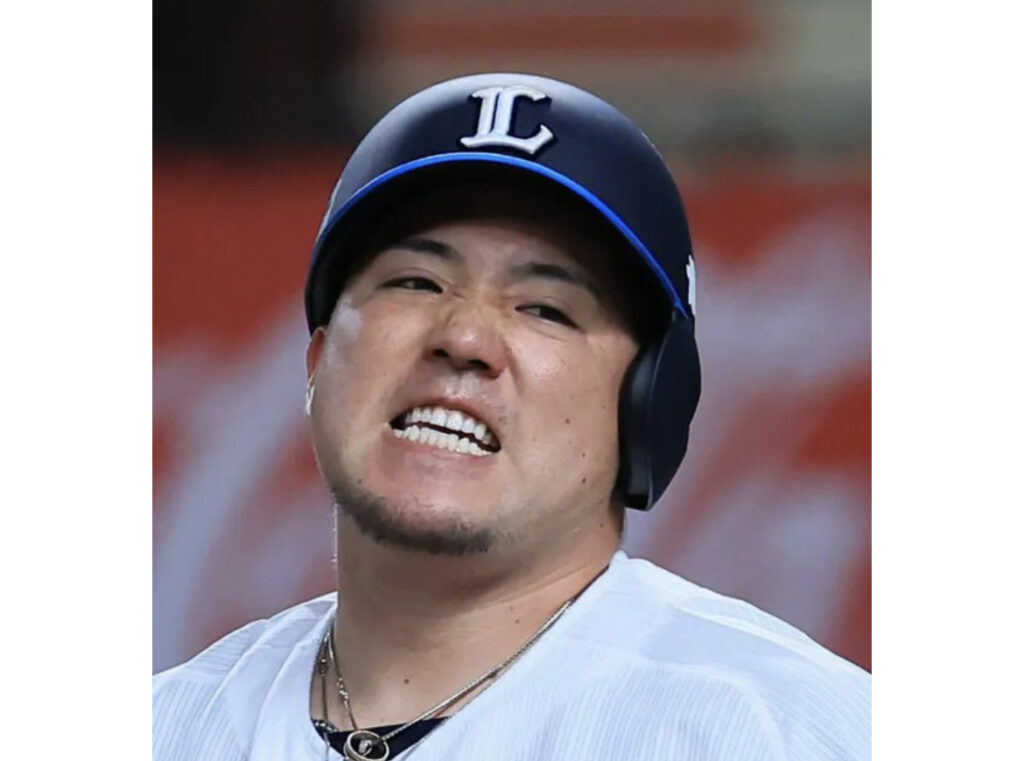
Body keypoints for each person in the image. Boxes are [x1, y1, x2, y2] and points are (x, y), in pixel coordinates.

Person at [153, 73, 870, 761]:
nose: (464, 337)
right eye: (415, 281)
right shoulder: (163, 728)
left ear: (648, 404)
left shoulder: (792, 732)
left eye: (545, 309)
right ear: (316, 363)